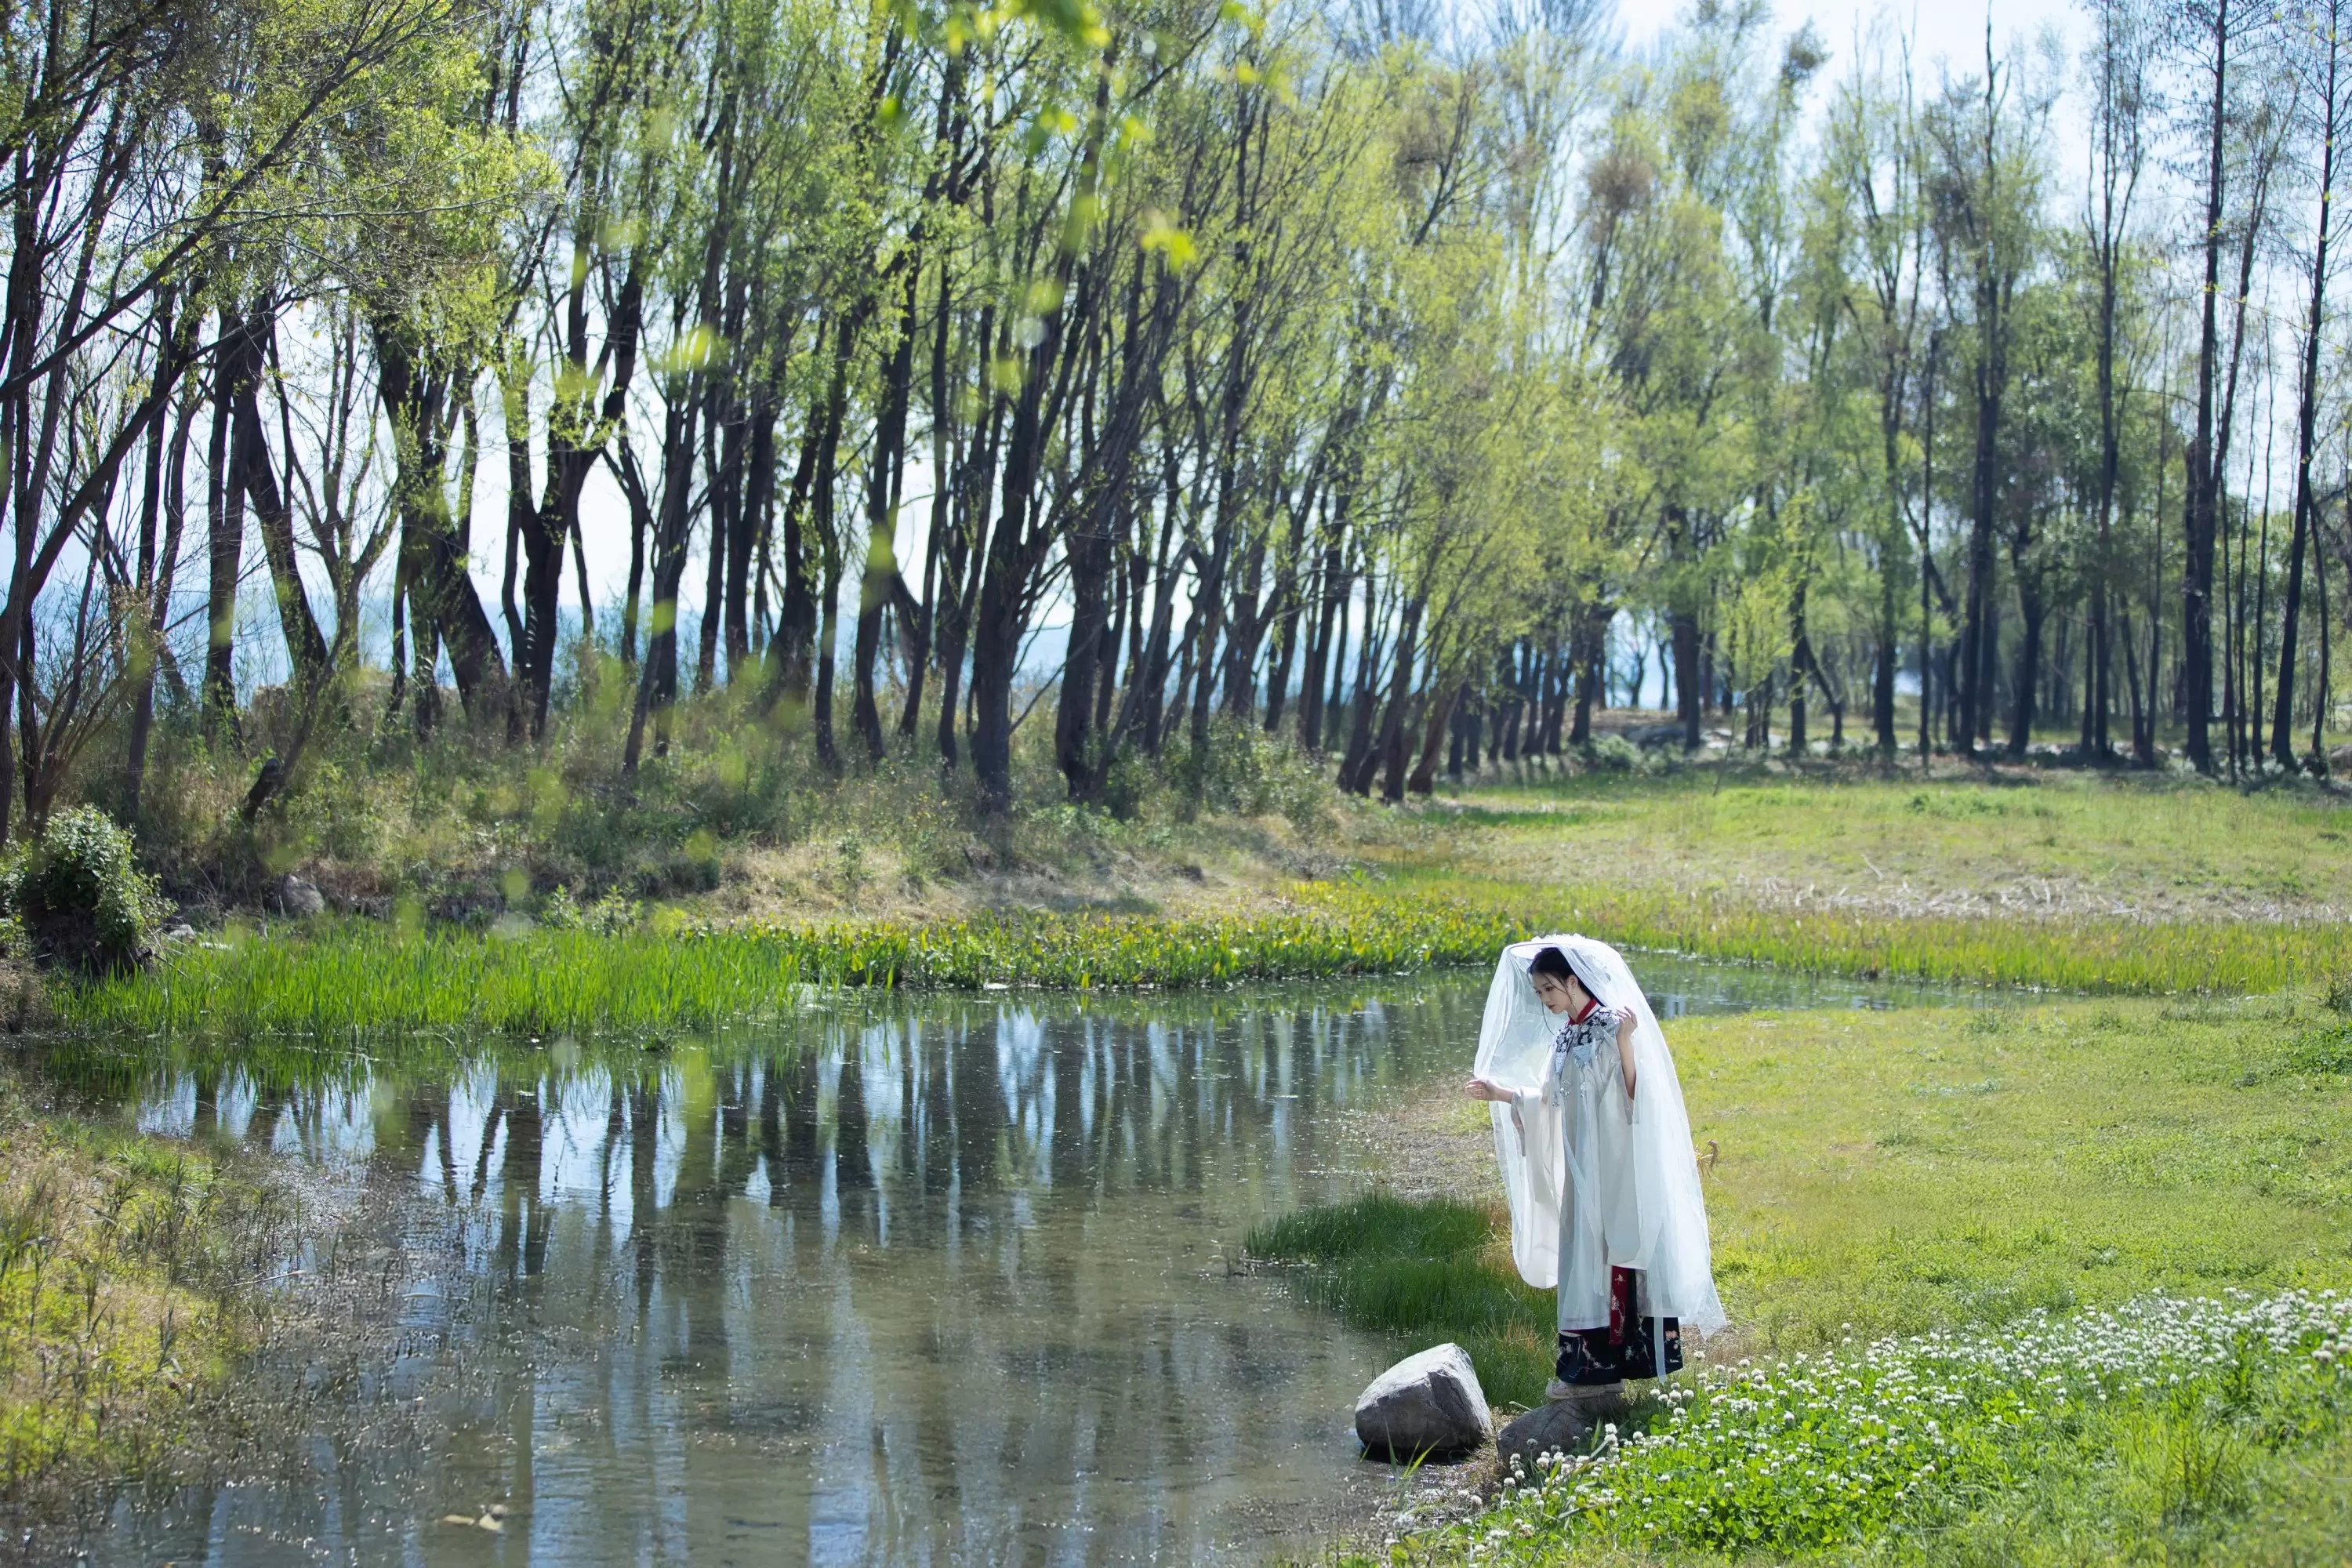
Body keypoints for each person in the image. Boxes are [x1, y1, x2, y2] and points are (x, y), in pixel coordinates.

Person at [1465, 936, 1724, 1403]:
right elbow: (1548, 1099)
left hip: (1619, 1161)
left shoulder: (1613, 1025)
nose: (1545, 1001)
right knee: (1583, 1255)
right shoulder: (1565, 1037)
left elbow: (1636, 1094)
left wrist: (1625, 1040)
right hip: (1582, 1167)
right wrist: (1500, 1092)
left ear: (1572, 980)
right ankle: (1588, 1372)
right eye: (1539, 993)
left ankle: (1618, 1366)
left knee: (1619, 1248)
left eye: (1549, 990)